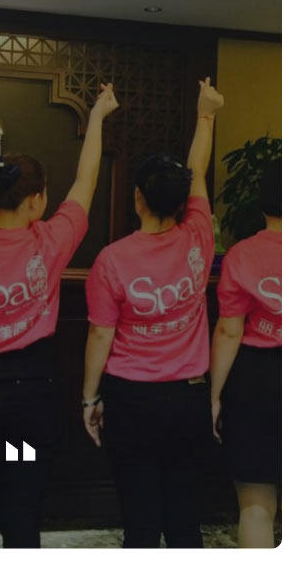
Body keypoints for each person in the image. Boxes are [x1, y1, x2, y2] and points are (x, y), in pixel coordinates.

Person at [0, 84, 119, 548]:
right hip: (33, 395)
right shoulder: (51, 240)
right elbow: (87, 182)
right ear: (36, 199)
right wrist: (97, 117)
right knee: (22, 504)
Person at [81, 77, 225, 548]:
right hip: (188, 399)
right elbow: (198, 170)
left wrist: (89, 399)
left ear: (138, 197)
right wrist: (205, 115)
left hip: (132, 401)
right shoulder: (199, 234)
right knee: (185, 522)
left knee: (139, 525)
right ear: (184, 203)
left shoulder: (112, 259)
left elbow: (101, 336)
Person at [210, 157, 281, 548]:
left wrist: (214, 394)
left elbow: (229, 330)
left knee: (255, 506)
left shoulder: (242, 254)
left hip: (257, 379)